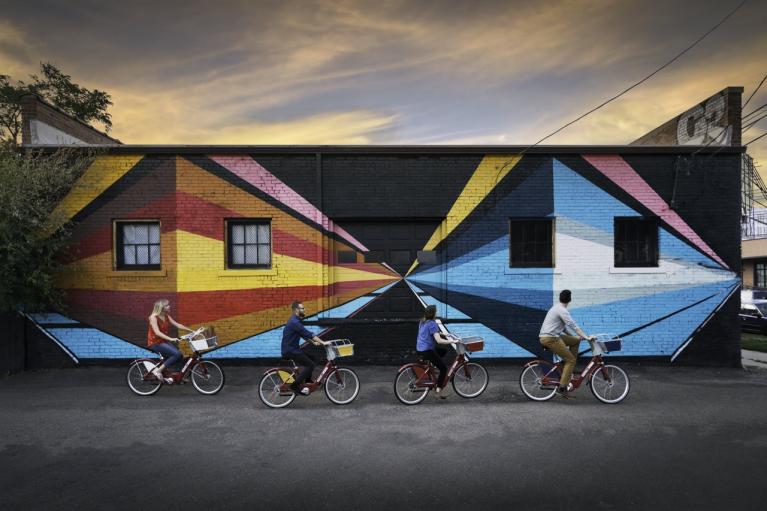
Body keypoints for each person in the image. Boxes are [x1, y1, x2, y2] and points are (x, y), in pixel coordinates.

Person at [539, 290, 594, 398]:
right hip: (550, 339)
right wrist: (587, 337)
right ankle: (562, 387)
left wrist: (573, 337)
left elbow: (563, 328)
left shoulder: (556, 308)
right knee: (571, 360)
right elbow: (574, 326)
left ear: (560, 298)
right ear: (570, 300)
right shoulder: (562, 311)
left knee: (575, 340)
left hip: (549, 337)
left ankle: (567, 371)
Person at [281, 301, 324, 395]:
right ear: (297, 310)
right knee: (310, 365)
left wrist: (314, 343)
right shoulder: (294, 322)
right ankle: (294, 385)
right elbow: (308, 333)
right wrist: (323, 342)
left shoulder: (295, 321)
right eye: (302, 308)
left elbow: (303, 335)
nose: (304, 310)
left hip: (292, 349)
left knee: (313, 358)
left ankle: (308, 381)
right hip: (290, 351)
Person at [147, 299, 193, 383]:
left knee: (181, 355)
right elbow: (157, 332)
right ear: (162, 307)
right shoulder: (153, 317)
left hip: (163, 341)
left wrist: (191, 331)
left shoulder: (166, 316)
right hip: (155, 343)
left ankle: (178, 376)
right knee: (176, 354)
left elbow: (178, 325)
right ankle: (157, 371)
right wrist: (171, 339)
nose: (169, 306)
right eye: (167, 305)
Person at [416, 304, 454, 400]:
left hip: (420, 349)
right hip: (427, 351)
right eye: (436, 311)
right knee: (444, 369)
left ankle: (433, 367)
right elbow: (439, 341)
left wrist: (444, 333)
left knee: (443, 351)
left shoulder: (423, 321)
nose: (437, 312)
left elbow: (431, 332)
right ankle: (438, 390)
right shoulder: (432, 323)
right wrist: (452, 341)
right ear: (433, 313)